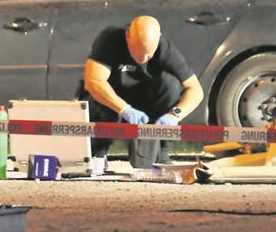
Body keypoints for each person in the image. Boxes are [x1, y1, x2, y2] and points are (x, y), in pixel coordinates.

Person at [83, 15, 204, 169]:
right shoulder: (110, 39)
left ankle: (162, 150)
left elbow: (195, 89)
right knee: (98, 93)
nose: (143, 58)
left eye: (149, 54)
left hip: (149, 101)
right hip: (116, 98)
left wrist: (175, 114)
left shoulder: (165, 48)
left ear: (158, 39)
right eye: (137, 51)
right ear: (127, 36)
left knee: (171, 85)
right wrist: (123, 109)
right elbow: (93, 81)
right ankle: (99, 151)